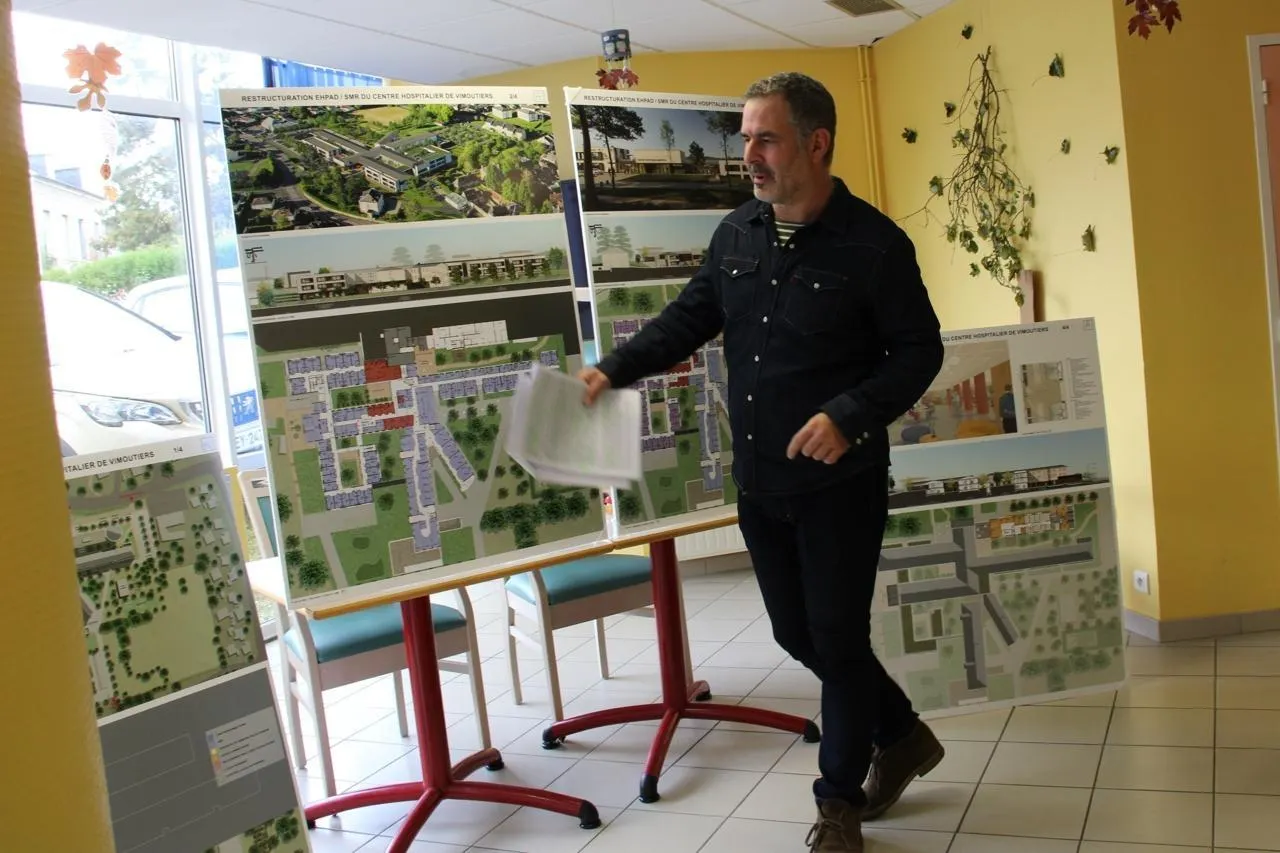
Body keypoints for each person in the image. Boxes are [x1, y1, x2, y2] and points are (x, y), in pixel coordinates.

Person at [578, 72, 946, 852]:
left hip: (840, 485)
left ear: (817, 143)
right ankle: (902, 732)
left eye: (765, 139)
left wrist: (849, 414)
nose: (748, 154)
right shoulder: (737, 234)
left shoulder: (875, 245)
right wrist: (613, 369)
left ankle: (838, 801)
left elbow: (919, 352)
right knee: (796, 632)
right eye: (746, 137)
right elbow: (688, 317)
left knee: (837, 639)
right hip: (761, 483)